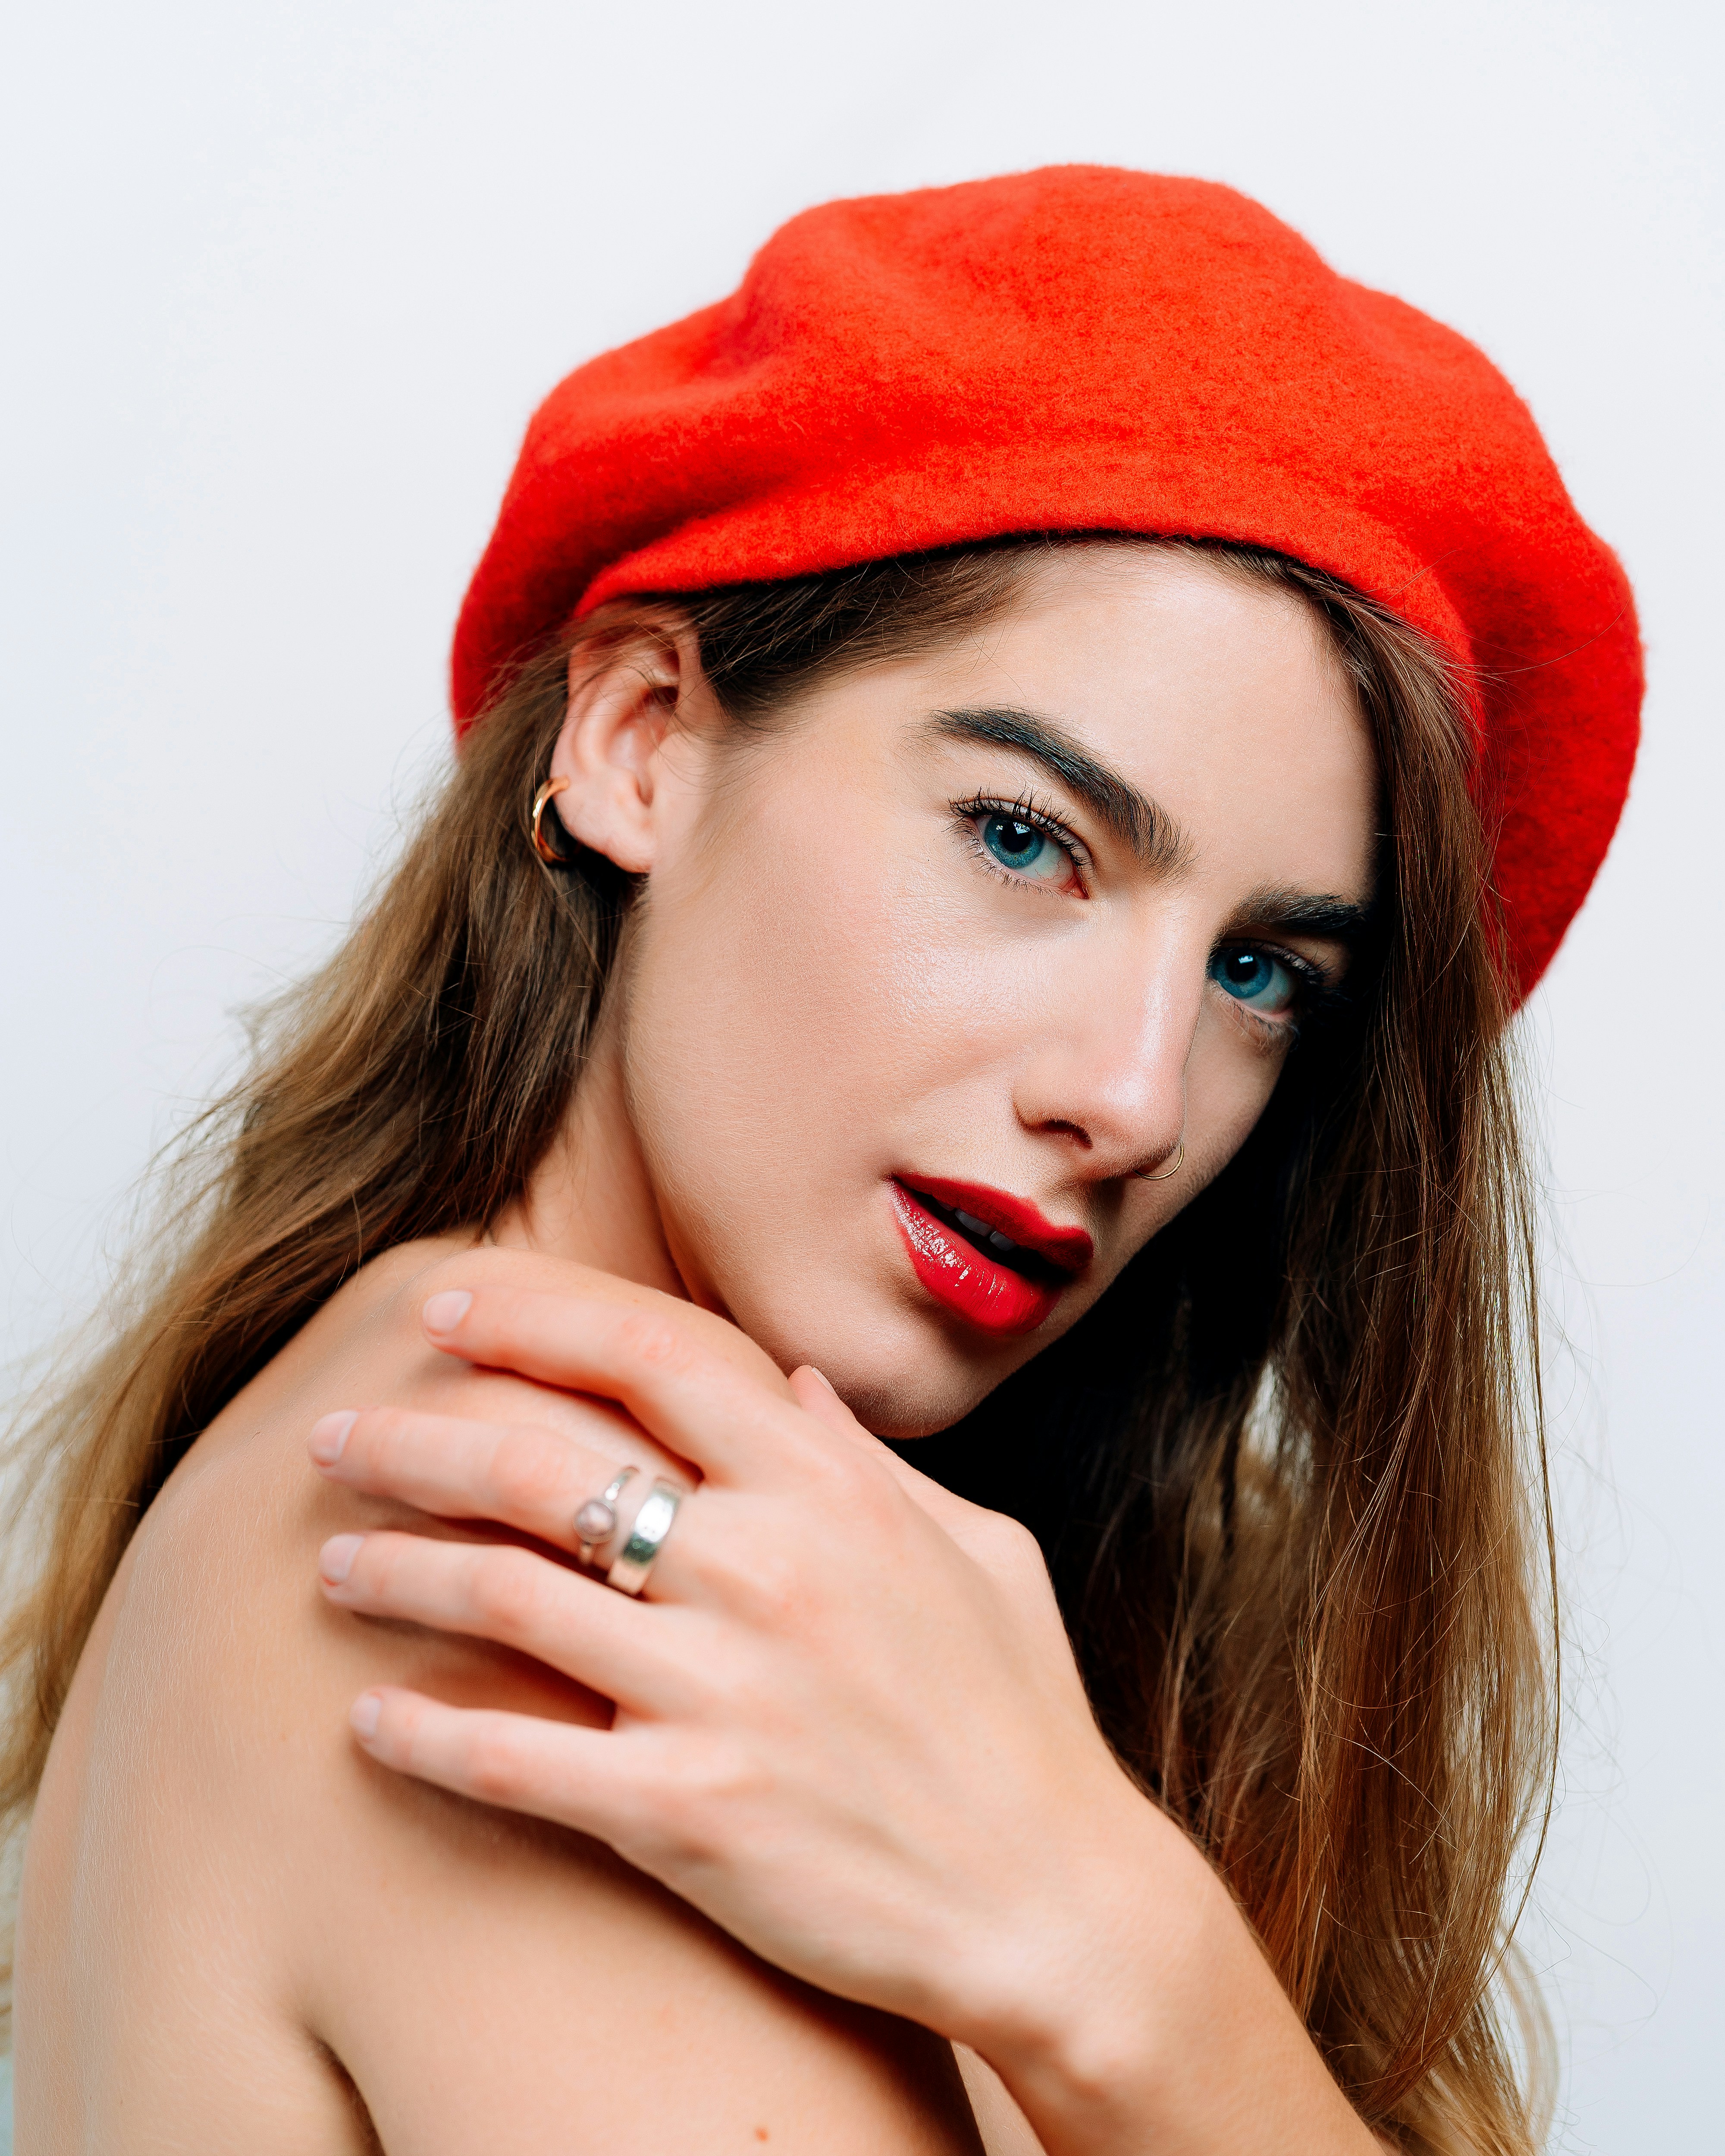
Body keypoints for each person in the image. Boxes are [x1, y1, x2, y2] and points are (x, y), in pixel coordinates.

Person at [2, 167, 1640, 2154]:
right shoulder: (497, 1590)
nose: (1133, 1095)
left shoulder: (718, 1570)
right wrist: (1138, 1979)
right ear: (635, 736)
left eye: (1260, 970)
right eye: (1026, 837)